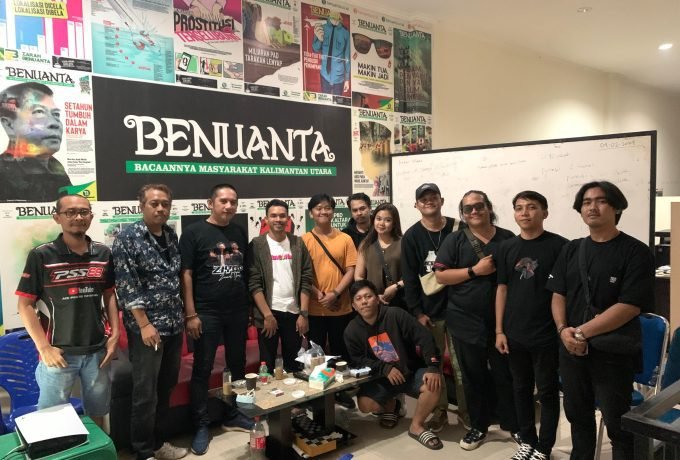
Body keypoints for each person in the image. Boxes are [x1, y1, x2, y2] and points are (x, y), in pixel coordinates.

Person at [547, 181, 654, 460]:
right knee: (578, 417)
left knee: (618, 425)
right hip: (571, 351)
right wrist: (563, 331)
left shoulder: (635, 251)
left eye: (601, 201)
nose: (592, 207)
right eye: (586, 202)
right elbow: (558, 294)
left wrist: (580, 332)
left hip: (612, 353)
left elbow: (629, 307)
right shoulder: (572, 249)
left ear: (617, 207)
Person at [15, 194, 119, 428]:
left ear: (91, 216)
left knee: (98, 414)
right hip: (59, 354)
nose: (78, 217)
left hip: (98, 351)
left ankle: (98, 447)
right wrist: (44, 348)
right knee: (51, 421)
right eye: (70, 212)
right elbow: (25, 305)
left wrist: (115, 335)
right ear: (57, 218)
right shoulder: (41, 255)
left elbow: (110, 294)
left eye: (83, 212)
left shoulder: (103, 253)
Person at [434, 190, 520, 450]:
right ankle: (479, 426)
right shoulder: (455, 240)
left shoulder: (507, 238)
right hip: (464, 321)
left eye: (479, 206)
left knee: (507, 375)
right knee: (473, 377)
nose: (474, 211)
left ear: (488, 207)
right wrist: (474, 271)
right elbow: (441, 276)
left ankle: (514, 425)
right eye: (468, 208)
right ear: (462, 214)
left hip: (503, 323)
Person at [112, 184, 188, 460]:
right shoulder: (127, 238)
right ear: (141, 205)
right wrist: (144, 324)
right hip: (147, 330)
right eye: (154, 203)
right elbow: (127, 286)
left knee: (165, 387)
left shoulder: (170, 235)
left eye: (165, 204)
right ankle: (143, 452)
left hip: (173, 325)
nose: (160, 208)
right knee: (145, 394)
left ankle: (158, 444)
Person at [179, 183, 253, 455]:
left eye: (233, 201)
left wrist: (248, 308)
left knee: (237, 363)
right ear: (210, 203)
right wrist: (191, 314)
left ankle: (234, 413)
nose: (229, 206)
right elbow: (186, 274)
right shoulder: (193, 232)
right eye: (223, 201)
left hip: (237, 310)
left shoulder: (239, 232)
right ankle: (201, 424)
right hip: (206, 312)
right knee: (203, 368)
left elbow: (244, 271)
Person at [495, 191, 567, 460]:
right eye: (519, 208)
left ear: (544, 212)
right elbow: (502, 289)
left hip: (546, 333)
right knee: (520, 388)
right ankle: (527, 440)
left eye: (532, 207)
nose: (524, 212)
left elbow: (564, 293)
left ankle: (544, 447)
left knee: (547, 391)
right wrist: (499, 330)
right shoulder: (506, 248)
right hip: (514, 332)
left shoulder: (561, 246)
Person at [344, 280, 443, 450]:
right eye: (358, 299)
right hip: (382, 377)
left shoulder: (395, 315)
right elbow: (357, 359)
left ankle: (417, 426)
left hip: (410, 372)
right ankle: (392, 406)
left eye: (368, 296)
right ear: (354, 306)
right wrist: (384, 368)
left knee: (433, 384)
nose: (364, 301)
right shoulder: (352, 330)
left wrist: (433, 366)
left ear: (377, 299)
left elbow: (424, 337)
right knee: (365, 404)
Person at [401, 182, 468, 433]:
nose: (428, 201)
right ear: (416, 205)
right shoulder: (412, 236)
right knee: (435, 365)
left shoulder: (459, 228)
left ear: (442, 200)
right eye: (423, 199)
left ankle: (466, 411)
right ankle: (439, 410)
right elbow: (409, 278)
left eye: (433, 197)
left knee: (462, 365)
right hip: (430, 312)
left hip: (461, 309)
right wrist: (417, 312)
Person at [302, 193, 357, 408]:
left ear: (333, 211)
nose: (323, 211)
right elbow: (302, 273)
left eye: (327, 208)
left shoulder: (345, 239)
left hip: (340, 306)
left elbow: (351, 270)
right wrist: (318, 294)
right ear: (311, 213)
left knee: (339, 351)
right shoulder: (303, 240)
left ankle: (339, 391)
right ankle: (318, 395)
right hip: (314, 308)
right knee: (316, 354)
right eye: (318, 208)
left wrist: (335, 293)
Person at [248, 199, 313, 372]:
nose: (278, 219)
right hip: (268, 314)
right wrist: (267, 315)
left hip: (294, 313)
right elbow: (254, 283)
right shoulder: (257, 245)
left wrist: (303, 313)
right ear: (266, 219)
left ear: (288, 219)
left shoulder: (298, 243)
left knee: (294, 365)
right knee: (267, 366)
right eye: (274, 216)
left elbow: (306, 278)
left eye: (282, 216)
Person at [0, 82, 71, 202]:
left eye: (56, 114)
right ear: (9, 125)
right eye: (39, 112)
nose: (54, 123)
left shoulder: (56, 169)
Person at [355, 203, 405, 309]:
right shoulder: (365, 244)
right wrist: (372, 294)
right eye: (378, 219)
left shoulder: (404, 243)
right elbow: (358, 276)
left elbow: (412, 275)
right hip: (373, 303)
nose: (381, 223)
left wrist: (396, 287)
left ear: (394, 223)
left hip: (399, 301)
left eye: (387, 220)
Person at [312, 10, 350, 95]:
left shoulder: (345, 33)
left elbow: (347, 57)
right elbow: (315, 49)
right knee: (324, 101)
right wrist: (320, 40)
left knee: (338, 102)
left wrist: (347, 79)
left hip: (339, 78)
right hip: (324, 75)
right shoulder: (322, 28)